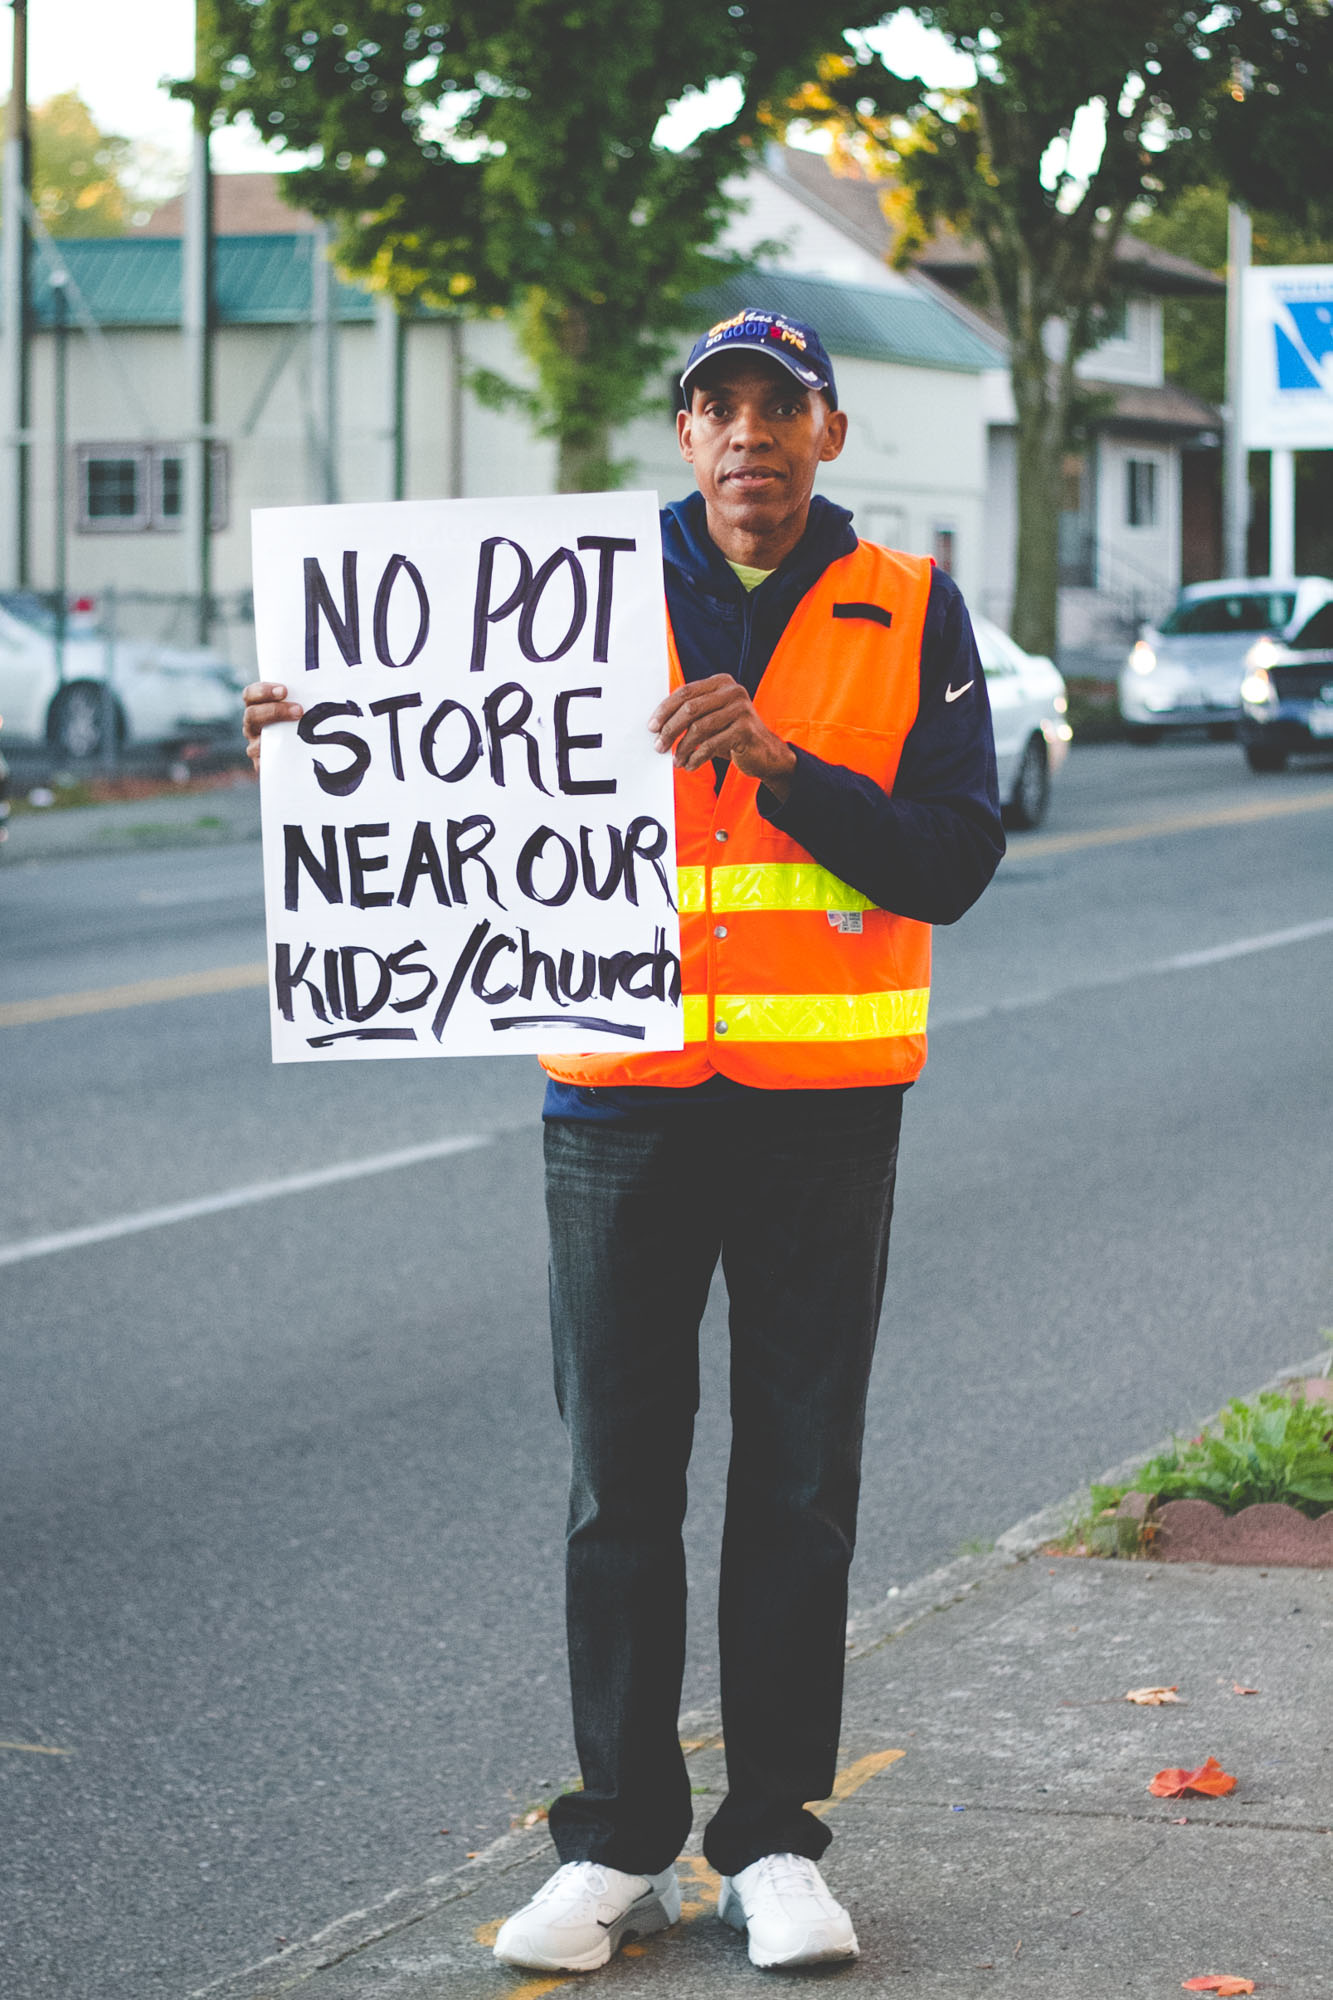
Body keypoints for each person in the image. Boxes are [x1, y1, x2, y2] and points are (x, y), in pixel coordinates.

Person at [242, 307, 1004, 1975]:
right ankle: (618, 1845)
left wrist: (784, 766)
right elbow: (437, 745)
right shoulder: (576, 587)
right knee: (618, 1490)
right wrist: (321, 747)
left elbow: (949, 857)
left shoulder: (909, 609)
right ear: (682, 436)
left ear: (829, 432)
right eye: (716, 406)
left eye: (777, 408)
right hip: (616, 1101)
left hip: (820, 1107)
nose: (748, 434)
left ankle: (774, 1845)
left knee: (798, 1485)